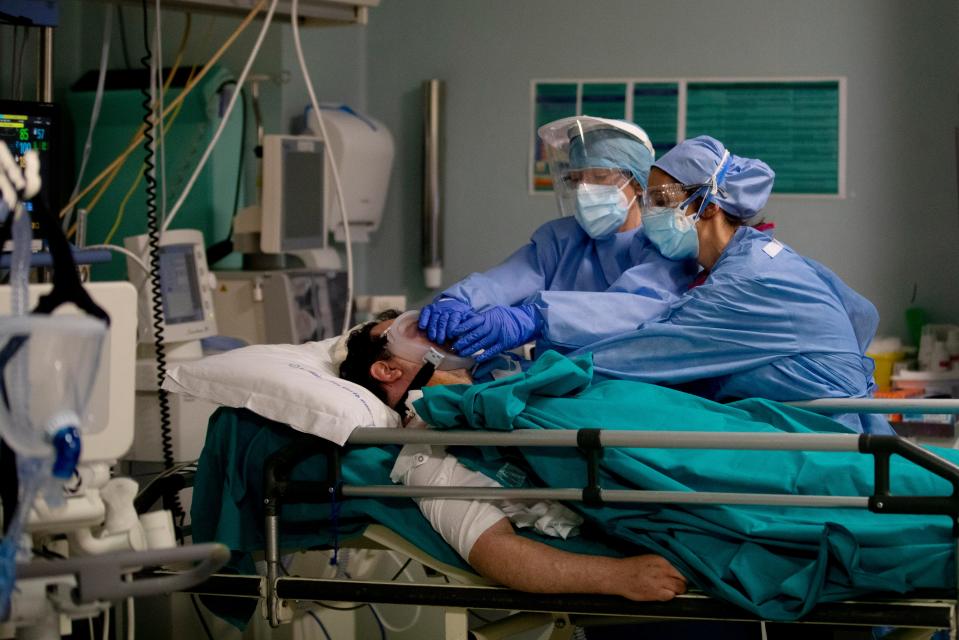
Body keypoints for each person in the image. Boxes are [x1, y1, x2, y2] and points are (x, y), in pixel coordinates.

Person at [338, 312, 689, 602]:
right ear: (387, 371)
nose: (435, 328)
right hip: (662, 483)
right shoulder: (429, 449)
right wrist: (618, 576)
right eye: (413, 328)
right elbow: (493, 550)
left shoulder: (510, 374)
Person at [563, 135, 891, 434]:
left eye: (662, 200)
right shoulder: (762, 254)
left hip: (824, 432)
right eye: (648, 201)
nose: (650, 214)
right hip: (830, 418)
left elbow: (652, 349)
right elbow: (861, 312)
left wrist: (554, 369)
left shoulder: (746, 278)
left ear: (711, 206)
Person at [418, 115, 698, 362]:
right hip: (553, 383)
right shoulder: (561, 239)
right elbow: (505, 281)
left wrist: (538, 316)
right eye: (577, 179)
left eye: (599, 176)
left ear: (638, 182)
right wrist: (456, 301)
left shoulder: (664, 244)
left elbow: (639, 308)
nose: (585, 190)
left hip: (626, 384)